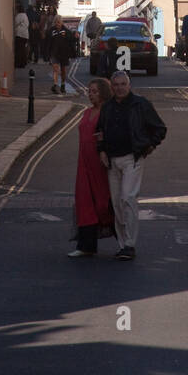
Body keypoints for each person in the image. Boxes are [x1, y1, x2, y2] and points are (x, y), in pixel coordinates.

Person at [97, 72, 166, 260]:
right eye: (116, 85)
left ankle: (129, 244)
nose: (119, 88)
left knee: (128, 198)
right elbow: (100, 131)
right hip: (112, 160)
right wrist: (101, 151)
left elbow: (160, 128)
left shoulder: (140, 104)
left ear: (129, 85)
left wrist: (149, 146)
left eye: (123, 84)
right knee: (117, 203)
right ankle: (122, 244)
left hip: (132, 158)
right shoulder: (107, 107)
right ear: (111, 87)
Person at [69, 77, 115, 258]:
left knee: (104, 202)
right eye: (89, 91)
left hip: (100, 162)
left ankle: (125, 243)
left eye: (94, 91)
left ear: (103, 92)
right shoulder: (87, 112)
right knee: (84, 201)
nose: (90, 94)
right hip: (84, 162)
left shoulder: (108, 112)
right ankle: (86, 245)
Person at [48, 15, 72, 94]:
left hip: (64, 53)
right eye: (56, 22)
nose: (57, 24)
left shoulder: (66, 31)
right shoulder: (52, 30)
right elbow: (48, 41)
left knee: (63, 70)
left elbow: (70, 40)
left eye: (58, 22)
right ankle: (55, 85)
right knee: (55, 69)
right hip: (54, 52)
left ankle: (62, 85)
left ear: (61, 22)